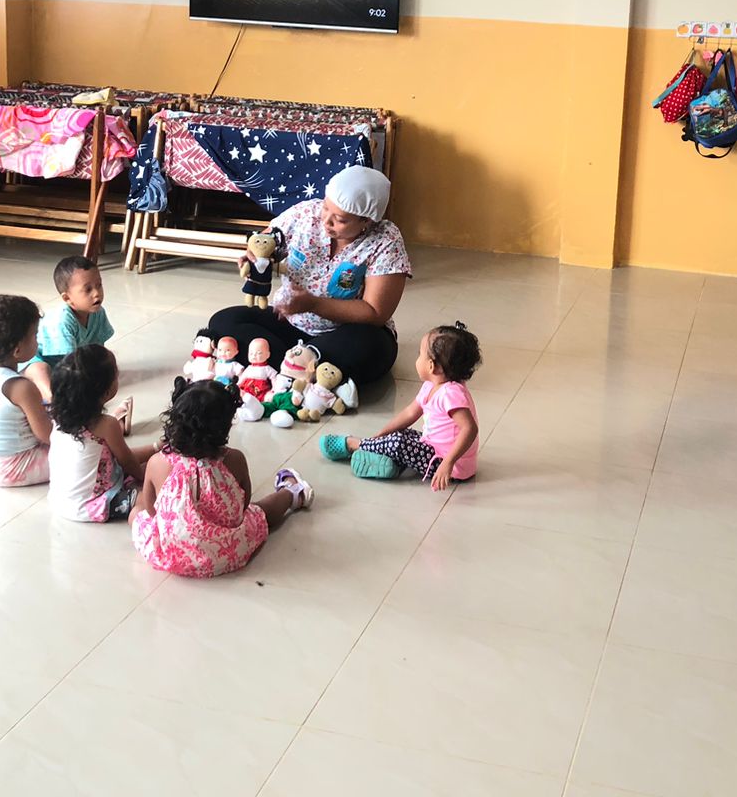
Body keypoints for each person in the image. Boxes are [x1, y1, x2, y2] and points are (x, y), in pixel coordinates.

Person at [206, 165, 410, 385]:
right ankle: (302, 370)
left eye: (340, 219)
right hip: (290, 321)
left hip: (345, 332)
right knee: (223, 322)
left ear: (367, 221)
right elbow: (265, 241)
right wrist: (256, 258)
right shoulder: (305, 214)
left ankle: (284, 368)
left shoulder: (385, 239)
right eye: (326, 207)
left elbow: (375, 312)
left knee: (372, 346)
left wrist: (313, 304)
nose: (326, 221)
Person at [130, 379, 312, 577]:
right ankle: (292, 493)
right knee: (259, 513)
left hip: (172, 554)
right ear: (226, 426)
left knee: (136, 513)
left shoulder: (157, 462)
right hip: (227, 552)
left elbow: (151, 510)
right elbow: (243, 505)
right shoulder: (234, 459)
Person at [320, 322, 481, 490]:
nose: (417, 359)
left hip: (451, 465)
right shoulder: (431, 385)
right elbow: (410, 413)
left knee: (398, 442)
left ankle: (353, 445)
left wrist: (448, 463)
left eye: (420, 354)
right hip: (433, 447)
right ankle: (391, 465)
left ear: (432, 366)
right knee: (400, 434)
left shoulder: (451, 393)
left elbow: (469, 429)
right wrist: (383, 434)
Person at [47, 345, 156, 522]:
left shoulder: (58, 418)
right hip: (92, 505)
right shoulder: (106, 425)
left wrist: (156, 447)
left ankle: (156, 449)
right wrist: (146, 480)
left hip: (60, 501)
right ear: (106, 392)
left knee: (151, 465)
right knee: (156, 490)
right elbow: (128, 462)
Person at [24, 256, 132, 432]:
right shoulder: (63, 321)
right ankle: (55, 406)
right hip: (43, 360)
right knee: (40, 370)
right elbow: (70, 366)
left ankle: (96, 422)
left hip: (73, 364)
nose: (97, 293)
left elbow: (98, 351)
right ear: (67, 298)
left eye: (99, 285)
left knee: (105, 380)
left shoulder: (98, 313)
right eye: (87, 289)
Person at [0, 294, 53, 487]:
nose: (37, 340)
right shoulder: (22, 388)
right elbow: (47, 435)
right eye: (35, 335)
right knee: (86, 450)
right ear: (17, 350)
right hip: (16, 466)